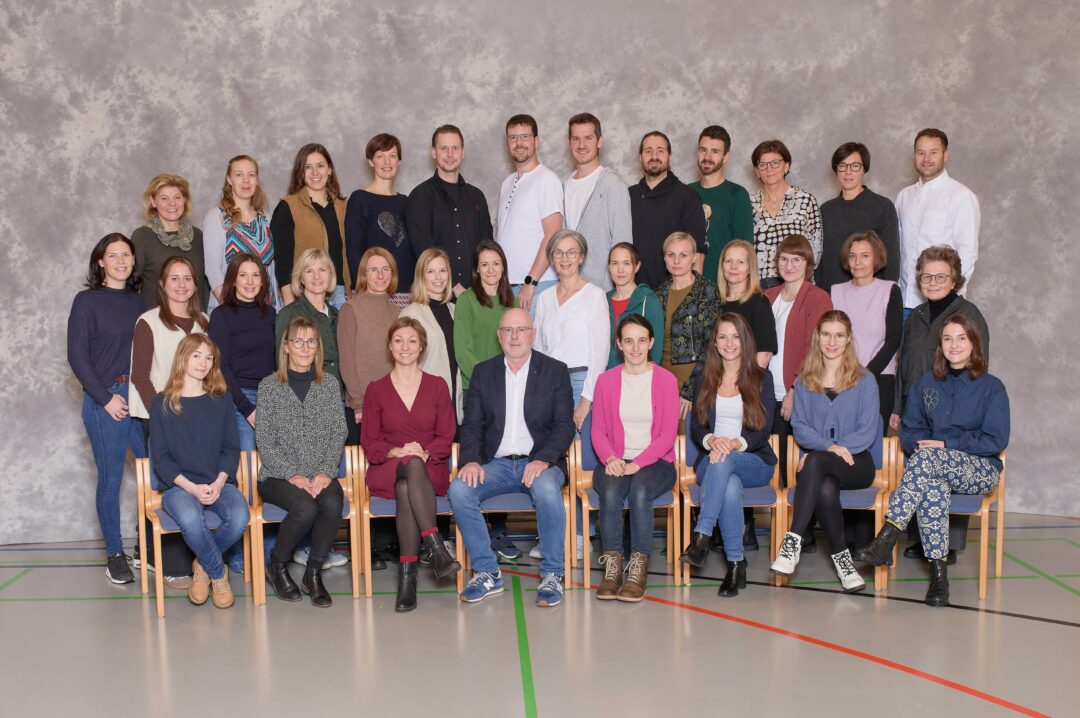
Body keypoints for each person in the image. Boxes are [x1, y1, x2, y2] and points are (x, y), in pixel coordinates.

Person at [856, 316, 1008, 607]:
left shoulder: (992, 387)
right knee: (932, 488)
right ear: (940, 345)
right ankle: (940, 578)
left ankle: (887, 538)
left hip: (979, 470)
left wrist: (947, 446)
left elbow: (995, 440)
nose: (954, 345)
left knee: (929, 459)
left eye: (962, 338)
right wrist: (928, 448)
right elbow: (910, 431)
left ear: (974, 343)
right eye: (947, 338)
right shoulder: (926, 383)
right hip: (931, 469)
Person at [449, 308, 574, 607]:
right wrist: (471, 460)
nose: (514, 336)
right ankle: (487, 572)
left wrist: (543, 459)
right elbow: (472, 424)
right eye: (508, 330)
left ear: (533, 334)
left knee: (546, 488)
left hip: (541, 461)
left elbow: (564, 425)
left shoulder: (555, 371)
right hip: (498, 464)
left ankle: (553, 574)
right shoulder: (483, 372)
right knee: (459, 490)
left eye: (521, 330)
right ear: (499, 335)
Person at [768, 311, 881, 592]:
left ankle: (792, 542)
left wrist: (831, 450)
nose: (832, 342)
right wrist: (829, 448)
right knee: (826, 487)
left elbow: (868, 430)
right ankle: (845, 566)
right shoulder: (805, 380)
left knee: (815, 461)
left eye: (839, 335)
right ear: (817, 338)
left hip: (857, 463)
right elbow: (799, 426)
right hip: (820, 465)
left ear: (849, 339)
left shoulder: (865, 380)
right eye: (826, 334)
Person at [892, 245, 989, 562]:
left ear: (954, 279)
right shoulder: (916, 316)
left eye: (940, 276)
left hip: (951, 407)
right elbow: (903, 362)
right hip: (915, 407)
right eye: (926, 276)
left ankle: (948, 544)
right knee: (917, 466)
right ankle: (921, 538)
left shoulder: (968, 313)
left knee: (945, 472)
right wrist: (897, 407)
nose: (932, 282)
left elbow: (978, 364)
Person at [360, 318, 460, 611]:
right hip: (387, 467)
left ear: (421, 347)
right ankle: (435, 547)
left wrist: (424, 453)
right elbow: (370, 441)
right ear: (390, 347)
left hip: (429, 468)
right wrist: (397, 452)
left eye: (412, 341)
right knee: (407, 469)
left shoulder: (437, 385)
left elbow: (447, 434)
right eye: (399, 340)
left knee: (408, 484)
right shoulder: (376, 389)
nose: (405, 346)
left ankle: (407, 579)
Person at [67, 233, 147, 585]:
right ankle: (115, 554)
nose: (120, 261)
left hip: (139, 397)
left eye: (126, 254)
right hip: (107, 399)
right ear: (100, 261)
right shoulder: (87, 301)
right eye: (113, 255)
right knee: (112, 479)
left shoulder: (138, 301)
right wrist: (105, 398)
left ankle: (145, 545)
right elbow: (77, 356)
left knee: (153, 473)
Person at [679, 313, 776, 597]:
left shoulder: (762, 378)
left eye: (735, 336)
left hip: (753, 460)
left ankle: (701, 536)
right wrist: (711, 440)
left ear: (745, 341)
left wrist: (733, 443)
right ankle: (736, 564)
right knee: (729, 484)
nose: (729, 343)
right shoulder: (704, 378)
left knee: (724, 460)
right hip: (711, 462)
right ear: (715, 343)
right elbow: (697, 427)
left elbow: (763, 431)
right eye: (722, 337)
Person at [149, 335, 249, 608]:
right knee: (192, 519)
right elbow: (161, 459)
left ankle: (202, 566)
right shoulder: (162, 403)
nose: (203, 363)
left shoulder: (222, 399)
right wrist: (192, 488)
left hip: (219, 482)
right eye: (197, 355)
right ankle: (218, 575)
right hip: (180, 487)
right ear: (182, 357)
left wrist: (218, 483)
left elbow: (231, 448)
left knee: (240, 516)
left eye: (208, 357)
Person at [256, 317, 348, 607]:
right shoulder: (269, 386)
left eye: (311, 341)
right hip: (277, 476)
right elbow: (265, 439)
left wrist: (325, 472)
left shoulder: (329, 384)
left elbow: (338, 432)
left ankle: (313, 573)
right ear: (286, 346)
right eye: (298, 341)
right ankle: (277, 565)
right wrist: (291, 474)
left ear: (318, 347)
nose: (305, 347)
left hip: (319, 472)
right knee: (305, 507)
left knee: (332, 502)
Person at [590, 314, 679, 601]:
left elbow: (667, 435)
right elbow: (598, 430)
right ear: (619, 344)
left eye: (642, 340)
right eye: (629, 341)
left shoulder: (666, 380)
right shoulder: (606, 381)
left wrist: (636, 464)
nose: (636, 348)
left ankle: (637, 569)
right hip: (616, 459)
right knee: (611, 490)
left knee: (640, 491)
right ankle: (613, 568)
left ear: (651, 342)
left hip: (656, 462)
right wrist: (610, 458)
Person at [274, 248, 351, 569]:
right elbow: (281, 366)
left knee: (325, 475)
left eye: (323, 270)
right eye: (310, 270)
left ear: (331, 277)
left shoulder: (338, 314)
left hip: (335, 400)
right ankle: (304, 547)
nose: (317, 276)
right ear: (300, 278)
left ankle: (321, 545)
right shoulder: (289, 314)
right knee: (305, 477)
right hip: (302, 402)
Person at [452, 240, 523, 560]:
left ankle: (500, 531)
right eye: (484, 264)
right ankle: (477, 534)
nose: (491, 270)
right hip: (478, 391)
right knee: (479, 459)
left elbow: (519, 344)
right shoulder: (467, 300)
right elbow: (463, 349)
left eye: (496, 263)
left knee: (503, 457)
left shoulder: (512, 300)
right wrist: (486, 385)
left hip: (512, 390)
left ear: (503, 267)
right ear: (476, 270)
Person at [764, 234, 832, 488]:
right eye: (784, 259)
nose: (789, 265)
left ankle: (803, 513)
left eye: (796, 260)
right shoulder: (768, 296)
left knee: (800, 466)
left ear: (808, 264)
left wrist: (795, 390)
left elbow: (816, 350)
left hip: (800, 393)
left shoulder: (817, 297)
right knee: (776, 464)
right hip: (769, 393)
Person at [896, 129, 980, 313]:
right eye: (921, 153)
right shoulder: (904, 197)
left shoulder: (961, 197)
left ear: (945, 154)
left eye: (933, 152)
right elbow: (899, 248)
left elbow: (967, 253)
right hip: (904, 302)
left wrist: (950, 298)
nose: (926, 159)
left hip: (942, 305)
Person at [534, 230, 609, 434]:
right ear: (551, 259)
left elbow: (600, 353)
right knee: (552, 443)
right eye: (558, 253)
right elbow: (538, 348)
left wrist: (587, 399)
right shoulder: (544, 298)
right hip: (550, 383)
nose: (564, 258)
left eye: (571, 252)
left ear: (581, 257)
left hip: (580, 382)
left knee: (577, 445)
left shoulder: (595, 295)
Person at [406, 124, 493, 296]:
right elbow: (424, 251)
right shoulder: (420, 196)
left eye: (455, 148)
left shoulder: (477, 196)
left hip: (476, 294)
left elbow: (486, 246)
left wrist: (479, 287)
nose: (450, 154)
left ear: (462, 152)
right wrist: (453, 287)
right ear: (434, 152)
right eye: (444, 148)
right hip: (437, 294)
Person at [830, 231, 902, 429]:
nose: (857, 262)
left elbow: (893, 340)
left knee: (873, 441)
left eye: (865, 256)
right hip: (839, 379)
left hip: (879, 380)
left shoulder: (889, 290)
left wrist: (865, 375)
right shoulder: (835, 291)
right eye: (852, 256)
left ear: (876, 258)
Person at [207, 253, 276, 455]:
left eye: (256, 275)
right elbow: (220, 366)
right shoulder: (221, 315)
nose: (250, 282)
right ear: (233, 280)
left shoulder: (271, 314)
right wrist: (247, 408)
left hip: (270, 396)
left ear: (263, 281)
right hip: (238, 398)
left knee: (276, 463)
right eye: (243, 275)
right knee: (247, 463)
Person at [496, 114, 563, 312]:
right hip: (509, 287)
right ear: (507, 143)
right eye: (513, 137)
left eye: (525, 137)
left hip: (537, 286)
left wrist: (531, 281)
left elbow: (553, 235)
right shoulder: (507, 183)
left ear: (536, 141)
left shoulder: (546, 179)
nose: (519, 143)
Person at [129, 256, 209, 422]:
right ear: (162, 284)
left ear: (195, 285)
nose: (182, 284)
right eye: (174, 278)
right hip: (161, 414)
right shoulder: (148, 321)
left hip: (197, 413)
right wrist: (162, 415)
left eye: (187, 279)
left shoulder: (205, 321)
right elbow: (140, 376)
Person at [270, 143, 350, 308]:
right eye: (308, 167)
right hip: (304, 295)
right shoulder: (288, 207)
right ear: (301, 172)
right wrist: (290, 304)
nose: (315, 172)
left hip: (341, 294)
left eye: (320, 166)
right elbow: (282, 261)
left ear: (329, 169)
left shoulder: (343, 206)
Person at [562, 112, 633, 290]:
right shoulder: (563, 187)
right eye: (576, 139)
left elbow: (623, 243)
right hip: (568, 290)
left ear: (600, 141)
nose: (581, 145)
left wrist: (616, 292)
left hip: (602, 291)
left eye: (588, 138)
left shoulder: (612, 184)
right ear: (569, 143)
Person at [817, 142, 900, 293]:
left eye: (854, 166)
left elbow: (891, 261)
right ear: (836, 170)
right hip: (830, 294)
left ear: (863, 169)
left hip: (869, 295)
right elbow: (819, 260)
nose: (848, 172)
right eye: (842, 166)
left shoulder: (882, 207)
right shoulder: (826, 210)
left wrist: (884, 296)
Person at [629, 130, 707, 288]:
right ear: (640, 157)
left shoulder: (688, 196)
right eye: (648, 151)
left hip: (674, 291)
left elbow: (697, 253)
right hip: (634, 291)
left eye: (660, 151)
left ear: (669, 156)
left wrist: (693, 295)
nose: (654, 156)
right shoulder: (629, 196)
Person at [203, 155, 280, 311]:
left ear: (256, 180)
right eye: (239, 174)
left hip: (266, 310)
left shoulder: (266, 219)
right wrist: (229, 310)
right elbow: (212, 270)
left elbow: (271, 271)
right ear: (229, 180)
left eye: (251, 175)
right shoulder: (217, 217)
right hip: (231, 309)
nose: (246, 180)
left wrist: (275, 309)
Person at [345, 133, 414, 307]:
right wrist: (362, 290)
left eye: (392, 156)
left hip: (406, 290)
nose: (387, 162)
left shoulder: (406, 202)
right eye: (380, 156)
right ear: (370, 161)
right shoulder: (360, 199)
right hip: (373, 290)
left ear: (399, 161)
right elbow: (354, 250)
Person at [656, 232, 722, 410]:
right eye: (671, 255)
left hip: (695, 381)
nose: (676, 261)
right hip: (662, 381)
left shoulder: (707, 291)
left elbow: (711, 344)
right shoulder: (658, 294)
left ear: (694, 258)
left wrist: (690, 390)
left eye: (683, 255)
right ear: (664, 258)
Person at [338, 247, 401, 428]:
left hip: (394, 402)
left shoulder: (397, 311)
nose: (380, 275)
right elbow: (347, 362)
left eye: (386, 269)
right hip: (364, 405)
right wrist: (358, 404)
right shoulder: (350, 309)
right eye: (373, 269)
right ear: (364, 274)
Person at [130, 173, 210, 309]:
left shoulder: (197, 236)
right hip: (156, 319)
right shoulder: (142, 237)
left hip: (195, 318)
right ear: (153, 201)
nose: (172, 203)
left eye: (177, 197)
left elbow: (204, 284)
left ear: (185, 200)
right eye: (164, 198)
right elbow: (131, 284)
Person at [749, 140, 822, 288]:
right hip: (759, 287)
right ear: (757, 171)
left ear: (786, 166)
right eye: (763, 165)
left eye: (775, 163)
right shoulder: (749, 204)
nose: (769, 169)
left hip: (797, 284)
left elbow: (815, 249)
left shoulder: (805, 201)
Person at [400, 248, 461, 419]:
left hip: (456, 400)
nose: (438, 277)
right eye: (431, 272)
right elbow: (403, 366)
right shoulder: (410, 314)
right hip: (425, 402)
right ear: (421, 276)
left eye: (443, 270)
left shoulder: (456, 310)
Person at [690, 125, 754, 285]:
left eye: (715, 151)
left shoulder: (737, 194)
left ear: (725, 157)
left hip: (724, 285)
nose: (707, 156)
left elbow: (744, 249)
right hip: (690, 285)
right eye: (703, 150)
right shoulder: (686, 193)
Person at [605, 242, 664, 368]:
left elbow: (656, 350)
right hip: (607, 376)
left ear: (637, 266)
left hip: (638, 375)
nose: (620, 270)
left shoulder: (649, 301)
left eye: (626, 263)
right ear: (608, 267)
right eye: (615, 263)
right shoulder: (603, 300)